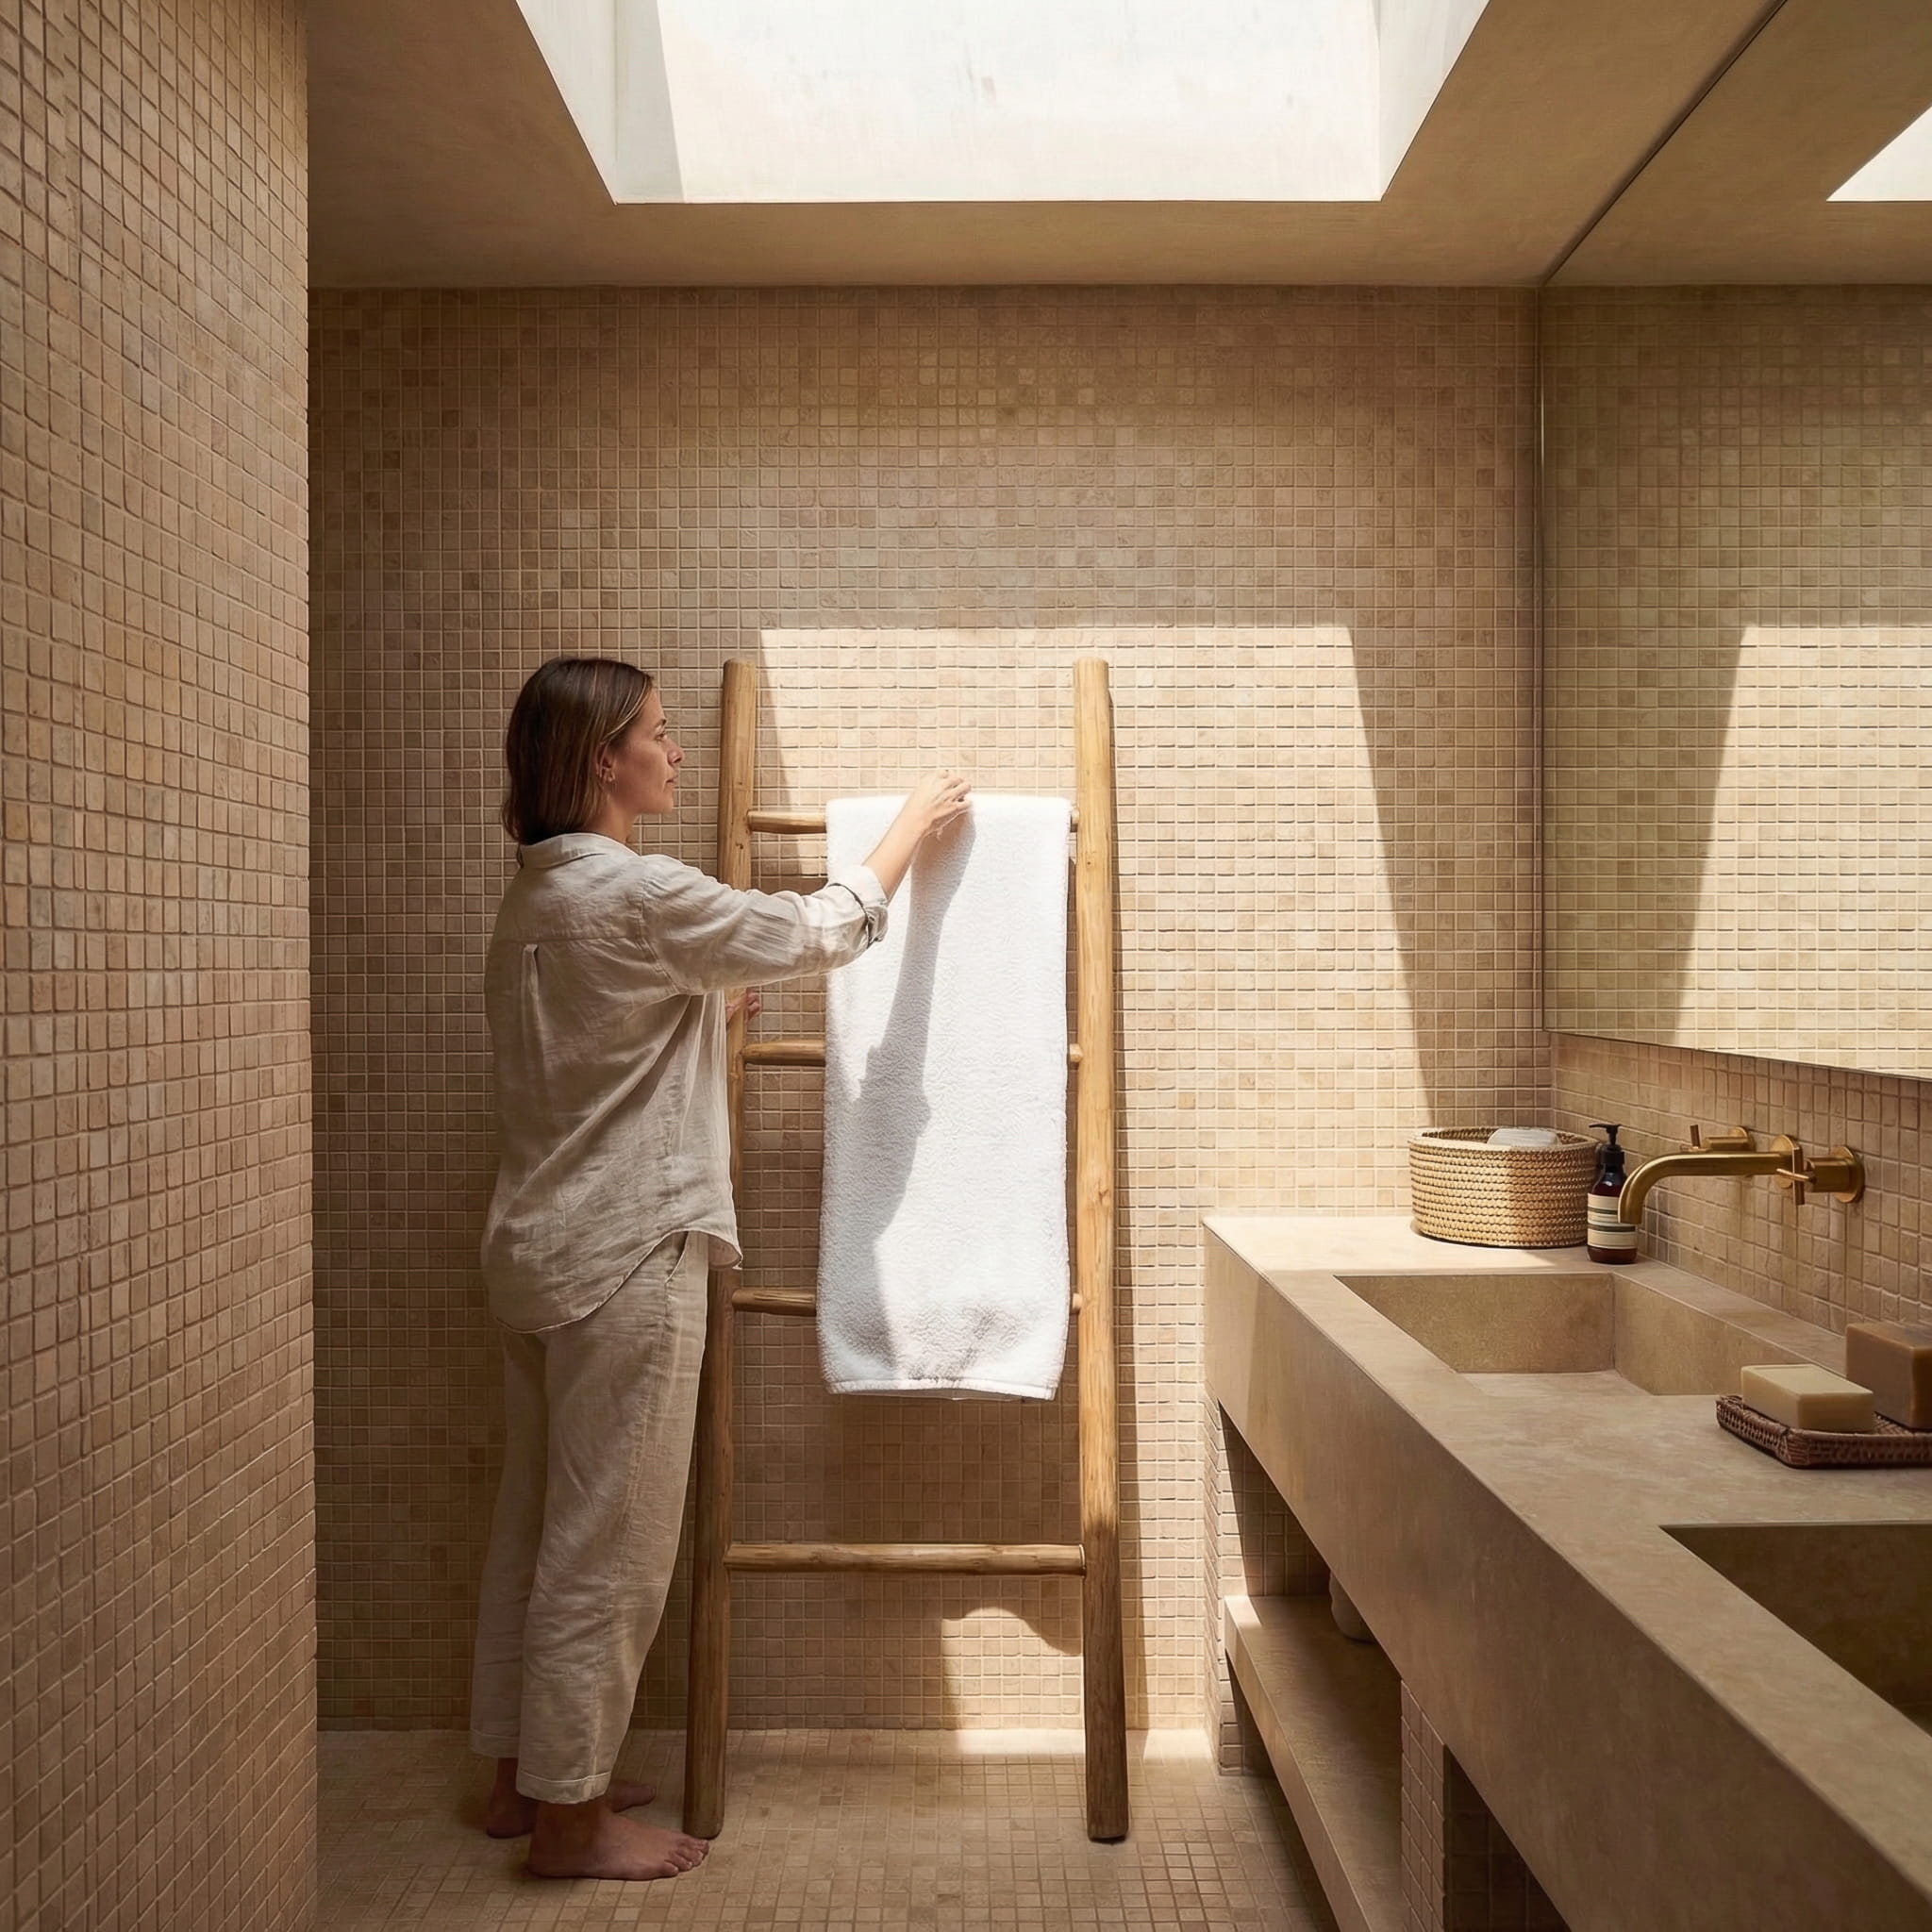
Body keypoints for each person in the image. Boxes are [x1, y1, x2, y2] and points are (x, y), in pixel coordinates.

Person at [467, 657, 970, 1881]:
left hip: (536, 1249)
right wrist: (911, 828)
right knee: (611, 1546)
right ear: (605, 759)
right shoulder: (638, 891)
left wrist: (701, 1014)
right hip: (629, 1251)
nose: (676, 750)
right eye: (656, 731)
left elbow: (599, 1040)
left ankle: (520, 1781)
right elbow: (818, 929)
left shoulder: (535, 897)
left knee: (536, 1525)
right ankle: (573, 1823)